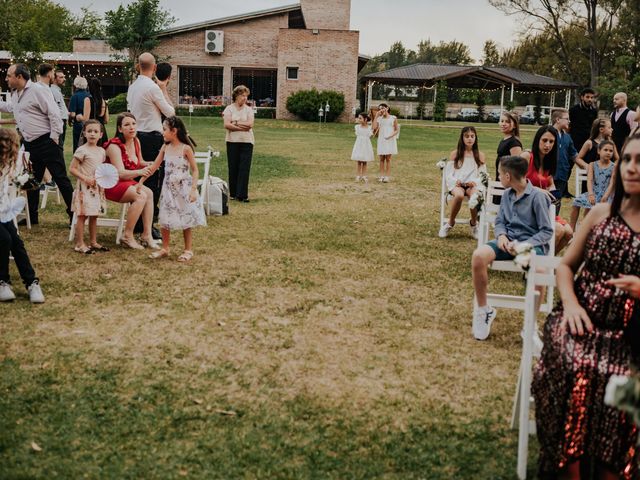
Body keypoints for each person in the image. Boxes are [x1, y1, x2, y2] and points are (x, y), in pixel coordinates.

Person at [532, 134, 640, 480]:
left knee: (621, 377)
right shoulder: (600, 213)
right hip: (580, 318)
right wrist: (572, 305)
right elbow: (565, 266)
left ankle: (613, 468)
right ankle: (571, 468)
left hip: (629, 331)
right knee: (577, 366)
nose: (632, 168)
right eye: (628, 160)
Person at [470, 155, 553, 341]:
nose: (498, 177)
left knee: (540, 270)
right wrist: (501, 236)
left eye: (500, 174)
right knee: (478, 256)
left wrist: (524, 245)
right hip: (506, 243)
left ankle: (530, 324)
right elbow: (500, 221)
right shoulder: (507, 194)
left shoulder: (538, 197)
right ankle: (484, 311)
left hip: (526, 247)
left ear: (508, 176)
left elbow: (547, 231)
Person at [0, 63, 73, 226]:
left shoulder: (38, 90)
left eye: (9, 75)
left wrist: (54, 138)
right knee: (31, 181)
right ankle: (32, 217)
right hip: (30, 144)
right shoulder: (16, 93)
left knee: (61, 179)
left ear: (19, 77)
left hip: (47, 141)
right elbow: (12, 107)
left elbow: (54, 114)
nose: (6, 78)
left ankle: (74, 214)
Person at [141, 116, 206, 262]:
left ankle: (188, 249)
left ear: (174, 131)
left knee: (185, 217)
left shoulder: (186, 149)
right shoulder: (165, 147)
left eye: (164, 129)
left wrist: (193, 189)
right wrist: (140, 182)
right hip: (168, 188)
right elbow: (154, 167)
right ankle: (165, 248)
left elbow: (195, 170)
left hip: (183, 188)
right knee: (165, 215)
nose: (162, 132)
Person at [127, 52, 175, 236]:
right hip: (152, 137)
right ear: (154, 68)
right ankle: (148, 223)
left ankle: (138, 220)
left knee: (138, 178)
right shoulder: (153, 88)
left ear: (139, 66)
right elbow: (170, 112)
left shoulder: (132, 87)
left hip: (135, 135)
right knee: (153, 179)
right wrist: (163, 89)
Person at [0, 129, 45, 303]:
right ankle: (3, 281)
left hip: (3, 210)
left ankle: (32, 282)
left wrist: (26, 182)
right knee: (4, 239)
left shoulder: (13, 164)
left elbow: (16, 183)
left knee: (16, 242)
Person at [103, 113, 158, 250]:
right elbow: (119, 173)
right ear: (120, 129)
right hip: (111, 183)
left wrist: (149, 164)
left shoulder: (136, 141)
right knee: (141, 196)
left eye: (133, 124)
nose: (131, 127)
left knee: (149, 193)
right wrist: (139, 172)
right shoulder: (114, 146)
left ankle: (146, 234)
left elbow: (138, 162)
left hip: (126, 181)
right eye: (127, 125)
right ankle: (127, 235)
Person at [522, 125, 573, 252]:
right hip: (525, 207)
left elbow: (550, 183)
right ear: (537, 140)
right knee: (559, 229)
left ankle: (543, 261)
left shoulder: (549, 162)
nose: (548, 145)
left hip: (543, 208)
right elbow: (514, 181)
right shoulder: (527, 156)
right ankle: (539, 265)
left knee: (568, 232)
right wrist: (536, 189)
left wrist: (554, 193)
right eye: (544, 140)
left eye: (551, 142)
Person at [439, 126, 487, 239]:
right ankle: (450, 223)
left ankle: (474, 223)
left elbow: (482, 174)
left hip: (472, 185)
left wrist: (474, 182)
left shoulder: (480, 155)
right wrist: (456, 181)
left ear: (475, 138)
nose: (469, 139)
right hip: (458, 184)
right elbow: (449, 174)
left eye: (472, 136)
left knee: (475, 195)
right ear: (462, 138)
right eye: (466, 136)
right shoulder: (455, 154)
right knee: (459, 195)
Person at [68, 120, 108, 254]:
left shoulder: (102, 151)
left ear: (101, 134)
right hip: (84, 188)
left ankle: (93, 242)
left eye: (95, 131)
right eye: (89, 131)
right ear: (84, 133)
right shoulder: (81, 150)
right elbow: (72, 169)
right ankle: (79, 243)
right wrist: (85, 178)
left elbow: (101, 168)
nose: (92, 134)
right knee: (82, 215)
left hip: (96, 187)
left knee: (94, 214)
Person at [569, 140, 615, 231]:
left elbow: (612, 183)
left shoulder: (614, 166)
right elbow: (589, 180)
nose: (608, 152)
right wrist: (590, 194)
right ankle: (572, 228)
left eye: (611, 151)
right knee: (576, 202)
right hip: (593, 193)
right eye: (605, 150)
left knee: (591, 210)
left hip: (607, 195)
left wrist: (606, 196)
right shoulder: (592, 165)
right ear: (599, 151)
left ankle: (588, 229)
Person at [223, 85, 255, 202]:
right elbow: (227, 124)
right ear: (236, 96)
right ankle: (233, 193)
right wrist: (242, 125)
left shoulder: (249, 110)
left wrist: (235, 123)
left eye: (246, 96)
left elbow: (250, 124)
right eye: (242, 95)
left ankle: (242, 195)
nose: (245, 98)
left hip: (247, 142)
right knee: (233, 167)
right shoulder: (229, 109)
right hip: (232, 142)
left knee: (244, 168)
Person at [551, 109, 578, 200]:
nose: (569, 121)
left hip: (562, 175)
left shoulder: (567, 137)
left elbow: (574, 155)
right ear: (558, 120)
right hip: (548, 174)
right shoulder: (547, 133)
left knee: (557, 202)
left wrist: (587, 166)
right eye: (567, 119)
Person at [372, 103, 398, 183]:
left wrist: (390, 136)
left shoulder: (393, 118)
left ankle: (387, 176)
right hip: (382, 139)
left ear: (387, 108)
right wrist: (376, 116)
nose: (381, 110)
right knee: (381, 159)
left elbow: (396, 130)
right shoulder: (380, 118)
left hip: (389, 140)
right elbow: (374, 127)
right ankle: (381, 176)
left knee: (388, 159)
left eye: (383, 108)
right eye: (380, 109)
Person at [495, 111, 523, 180]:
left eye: (507, 122)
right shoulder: (504, 140)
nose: (503, 124)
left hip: (508, 181)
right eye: (502, 121)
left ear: (515, 125)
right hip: (501, 178)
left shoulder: (514, 142)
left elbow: (516, 166)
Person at [569, 87, 598, 152]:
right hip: (575, 141)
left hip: (588, 141)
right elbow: (569, 125)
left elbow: (594, 126)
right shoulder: (573, 110)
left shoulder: (594, 111)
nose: (590, 99)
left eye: (591, 97)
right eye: (587, 97)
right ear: (582, 97)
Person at [69, 76, 91, 152]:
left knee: (77, 146)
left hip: (79, 124)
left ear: (75, 85)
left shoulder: (74, 96)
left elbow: (72, 114)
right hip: (90, 123)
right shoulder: (89, 95)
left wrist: (70, 120)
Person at [351, 113, 374, 182]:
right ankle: (358, 175)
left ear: (365, 119)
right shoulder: (357, 127)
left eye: (360, 118)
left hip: (366, 145)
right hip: (359, 144)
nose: (359, 119)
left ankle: (364, 175)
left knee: (364, 161)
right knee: (359, 161)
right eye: (358, 118)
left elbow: (370, 134)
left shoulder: (369, 128)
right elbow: (358, 134)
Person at [87, 78, 109, 145]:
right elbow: (106, 120)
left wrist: (79, 117)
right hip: (102, 130)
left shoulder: (88, 100)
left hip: (92, 130)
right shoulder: (103, 101)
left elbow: (86, 119)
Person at [50, 69, 69, 147]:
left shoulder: (57, 90)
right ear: (54, 79)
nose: (64, 79)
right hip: (59, 121)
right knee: (59, 145)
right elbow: (56, 108)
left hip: (61, 120)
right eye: (61, 77)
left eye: (63, 77)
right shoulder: (54, 90)